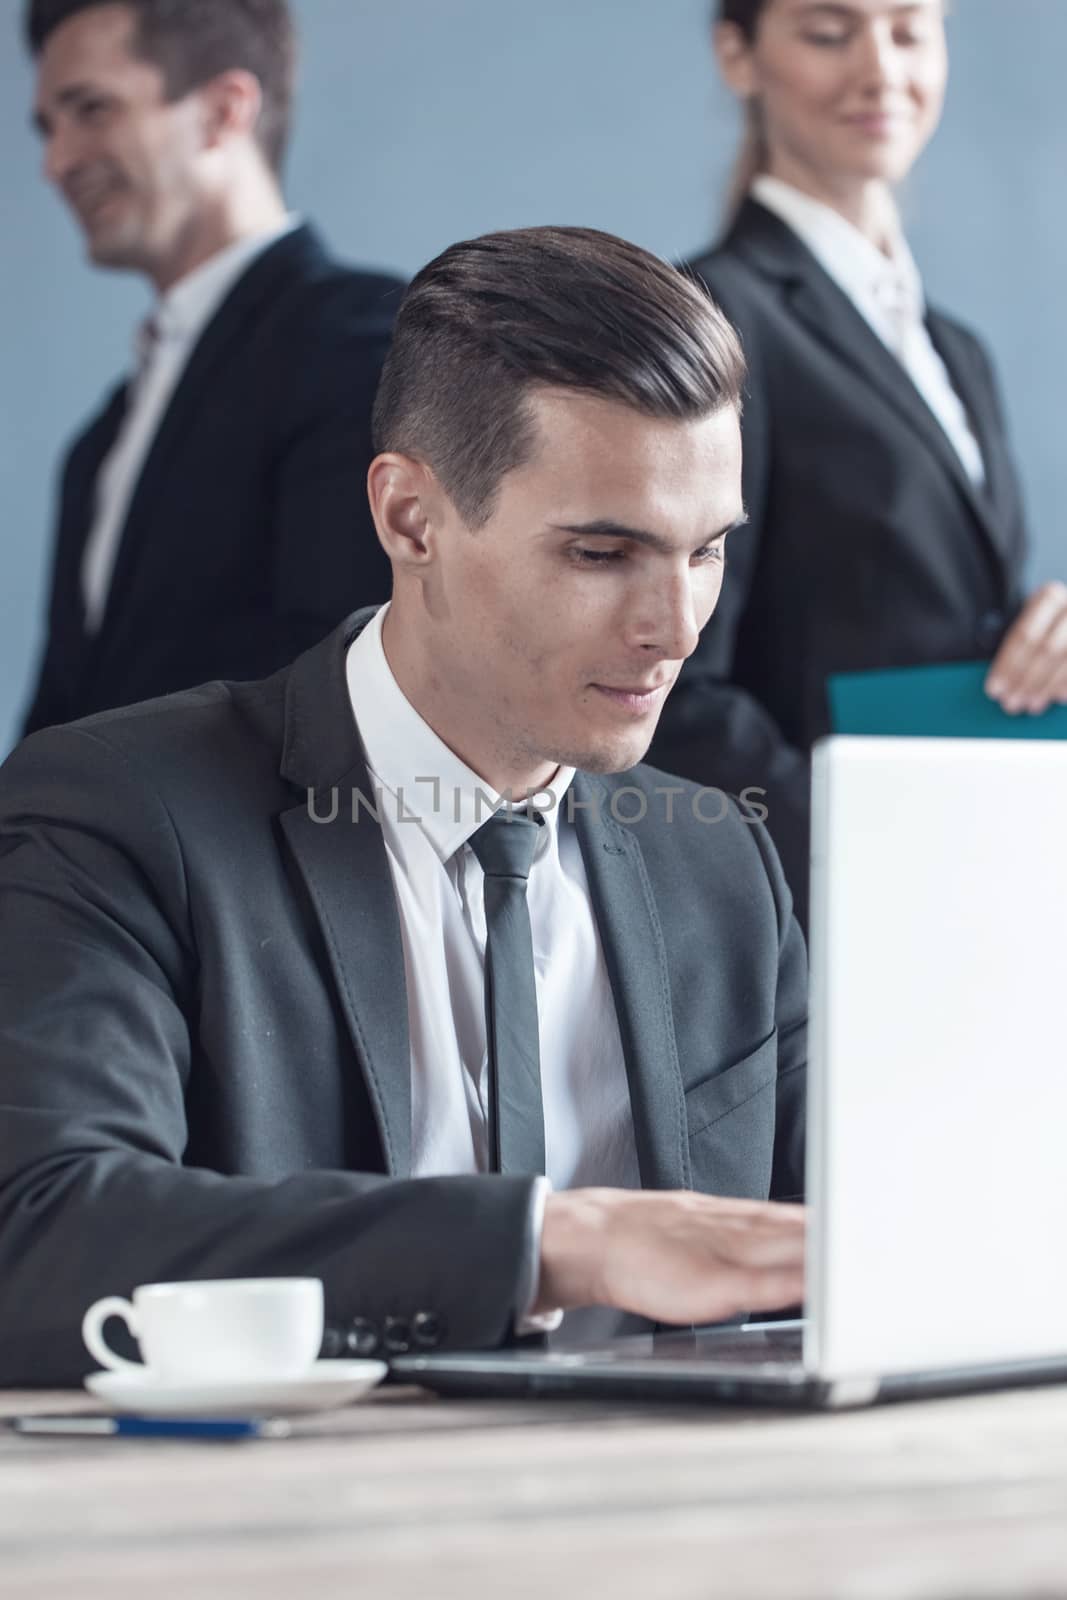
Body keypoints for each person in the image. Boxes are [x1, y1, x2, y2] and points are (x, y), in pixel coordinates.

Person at [0, 225, 806, 1387]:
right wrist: (555, 1243)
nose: (675, 628)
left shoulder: (721, 863)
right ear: (409, 518)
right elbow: (41, 1237)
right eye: (599, 553)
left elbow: (863, 1242)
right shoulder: (117, 814)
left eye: (706, 552)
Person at [650, 0, 1067, 930]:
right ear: (738, 54)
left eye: (911, 30)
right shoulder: (711, 320)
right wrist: (868, 853)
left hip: (980, 878)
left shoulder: (955, 352)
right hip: (822, 912)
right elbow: (673, 678)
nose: (882, 71)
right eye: (830, 32)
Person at [20, 0, 401, 738]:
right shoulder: (101, 440)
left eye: (91, 109)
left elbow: (333, 678)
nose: (56, 162)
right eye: (47, 127)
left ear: (224, 110)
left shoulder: (358, 342)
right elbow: (58, 733)